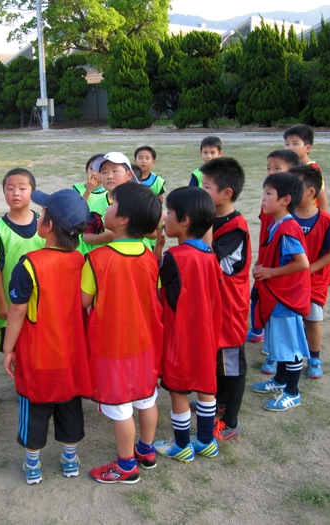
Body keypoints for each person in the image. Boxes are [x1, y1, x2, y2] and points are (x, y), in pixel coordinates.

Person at [3, 189, 92, 485]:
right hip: (72, 358)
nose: (38, 217)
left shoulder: (30, 263)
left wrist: (8, 348)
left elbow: (16, 312)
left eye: (42, 214)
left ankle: (33, 466)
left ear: (48, 226)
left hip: (38, 357)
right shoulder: (81, 261)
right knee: (70, 407)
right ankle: (69, 460)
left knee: (35, 409)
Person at [82, 183, 163, 484]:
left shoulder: (97, 259)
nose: (107, 206)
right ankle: (147, 450)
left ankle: (126, 465)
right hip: (145, 343)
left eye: (112, 203)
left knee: (120, 409)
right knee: (146, 399)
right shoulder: (150, 256)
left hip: (112, 345)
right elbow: (152, 295)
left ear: (124, 219)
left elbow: (83, 301)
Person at [153, 187, 223, 461]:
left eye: (169, 213)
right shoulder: (209, 256)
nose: (165, 217)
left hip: (180, 336)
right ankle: (206, 441)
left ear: (185, 221)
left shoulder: (175, 257)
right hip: (205, 334)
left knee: (179, 391)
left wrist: (157, 255)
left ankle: (181, 445)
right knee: (207, 388)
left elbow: (155, 289)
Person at [249, 173, 311, 412]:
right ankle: (280, 381)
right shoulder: (277, 224)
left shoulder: (288, 228)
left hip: (287, 298)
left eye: (268, 194)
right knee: (281, 344)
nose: (263, 199)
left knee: (290, 347)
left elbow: (302, 263)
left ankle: (292, 393)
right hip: (277, 297)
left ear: (285, 199)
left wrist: (272, 273)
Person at [200, 158, 251, 440]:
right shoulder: (215, 218)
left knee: (231, 362)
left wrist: (204, 219)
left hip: (230, 306)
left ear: (226, 193)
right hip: (213, 303)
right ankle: (217, 403)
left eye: (206, 187)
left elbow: (208, 257)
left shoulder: (235, 225)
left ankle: (230, 421)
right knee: (216, 356)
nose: (201, 191)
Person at [290, 165, 330, 379]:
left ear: (311, 192)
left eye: (294, 187)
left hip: (315, 281)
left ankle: (314, 358)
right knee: (288, 319)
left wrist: (308, 269)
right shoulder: (285, 216)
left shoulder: (327, 221)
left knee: (311, 321)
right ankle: (282, 356)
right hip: (289, 279)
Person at [246, 149, 301, 348]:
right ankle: (259, 332)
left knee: (277, 314)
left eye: (277, 168)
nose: (271, 172)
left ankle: (274, 355)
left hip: (279, 278)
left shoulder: (288, 221)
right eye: (268, 168)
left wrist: (272, 270)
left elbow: (300, 262)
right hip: (266, 264)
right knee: (257, 297)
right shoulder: (270, 206)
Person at [0, 169, 46, 356]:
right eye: (10, 188)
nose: (16, 192)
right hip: (11, 301)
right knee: (13, 348)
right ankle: (19, 382)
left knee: (38, 344)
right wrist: (1, 302)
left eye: (22, 188)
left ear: (33, 192)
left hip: (40, 300)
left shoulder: (44, 224)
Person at [80, 152, 135, 254]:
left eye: (115, 171)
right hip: (108, 260)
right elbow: (86, 236)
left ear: (129, 175)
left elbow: (153, 233)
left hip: (137, 256)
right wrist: (103, 237)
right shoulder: (96, 207)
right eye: (104, 172)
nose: (109, 176)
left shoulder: (138, 200)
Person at [284, 125, 328, 211]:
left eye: (295, 144)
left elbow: (322, 199)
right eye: (287, 144)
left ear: (307, 148)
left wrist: (322, 221)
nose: (290, 148)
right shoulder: (288, 166)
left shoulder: (313, 169)